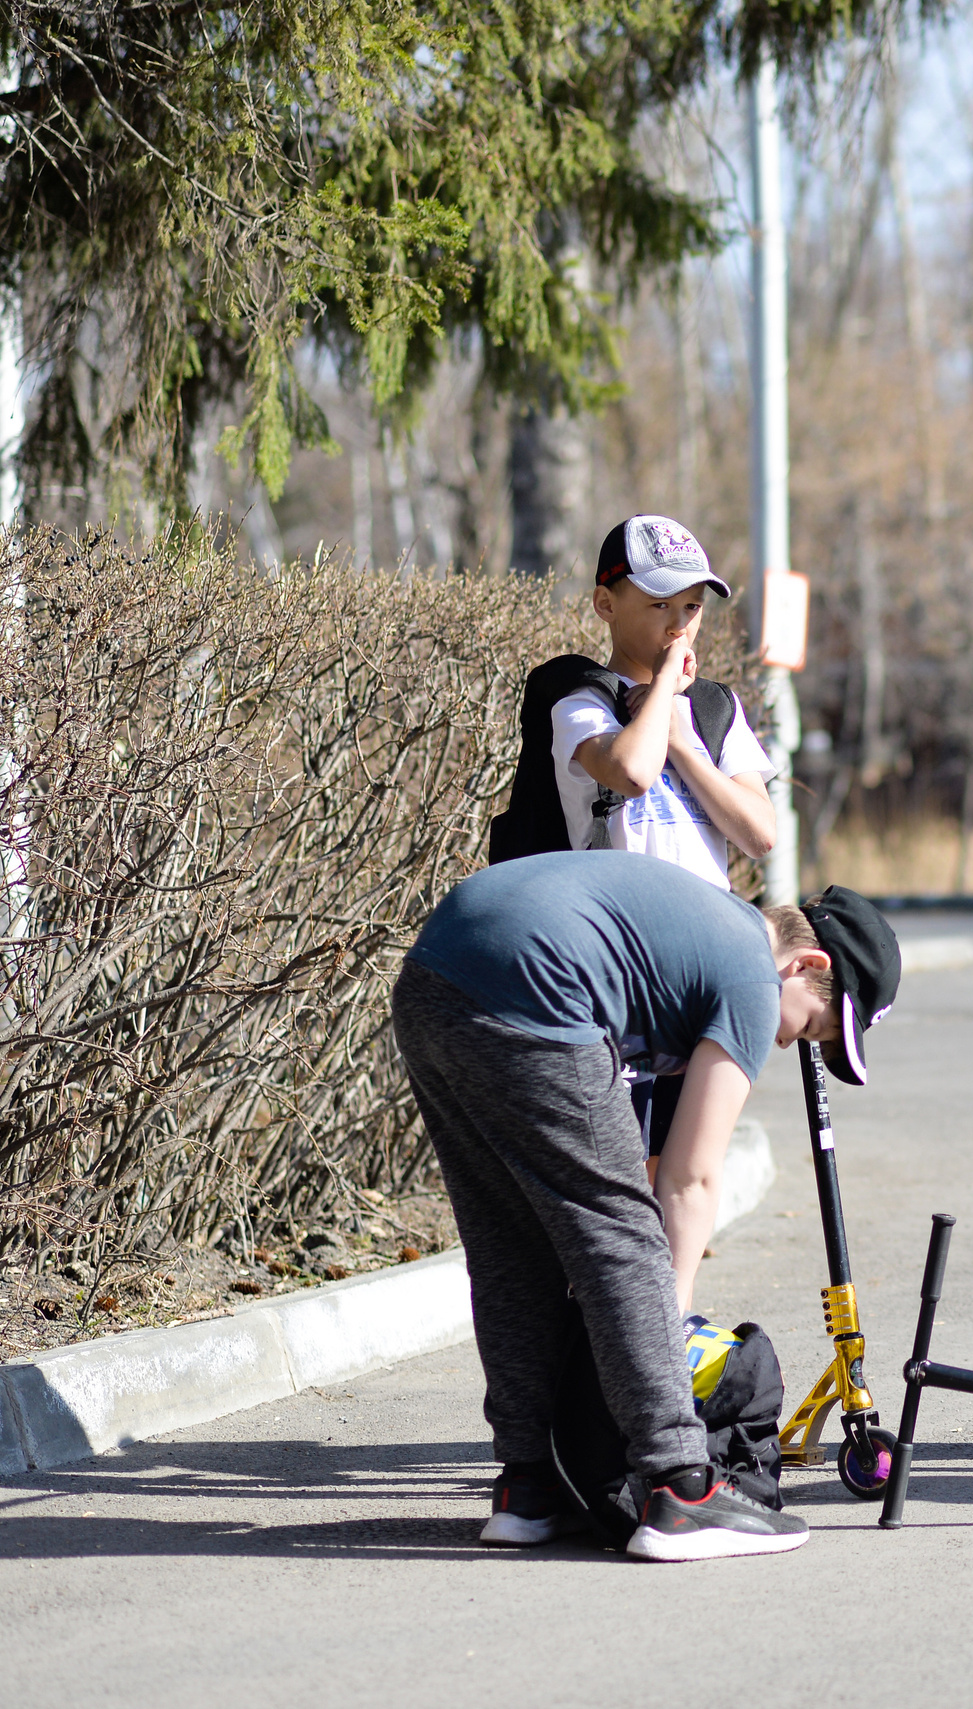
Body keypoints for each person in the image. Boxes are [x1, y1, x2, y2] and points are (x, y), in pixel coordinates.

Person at [391, 852, 901, 1558]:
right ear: (804, 965)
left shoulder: (699, 937)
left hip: (431, 979)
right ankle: (680, 1486)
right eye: (811, 1027)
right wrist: (671, 1324)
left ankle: (529, 1486)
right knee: (625, 1234)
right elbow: (690, 1180)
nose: (787, 1041)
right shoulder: (752, 977)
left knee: (511, 1241)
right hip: (536, 982)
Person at [553, 515, 778, 1164]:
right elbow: (630, 770)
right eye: (658, 605)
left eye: (692, 607)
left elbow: (759, 832)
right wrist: (658, 697)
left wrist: (683, 737)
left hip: (699, 969)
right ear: (606, 604)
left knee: (680, 1163)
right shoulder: (581, 699)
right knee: (618, 1161)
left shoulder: (712, 709)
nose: (679, 625)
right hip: (616, 966)